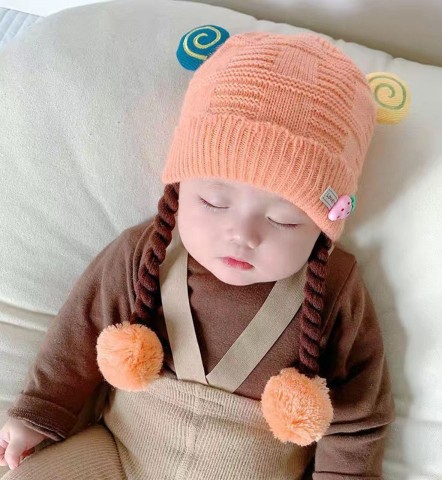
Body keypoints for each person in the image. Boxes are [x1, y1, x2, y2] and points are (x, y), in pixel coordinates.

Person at [0, 28, 407, 479]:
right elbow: (79, 333)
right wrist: (39, 413)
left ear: (323, 227)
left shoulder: (335, 288)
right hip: (120, 451)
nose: (242, 235)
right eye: (213, 203)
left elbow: (358, 414)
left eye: (284, 220)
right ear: (179, 190)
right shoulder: (145, 254)